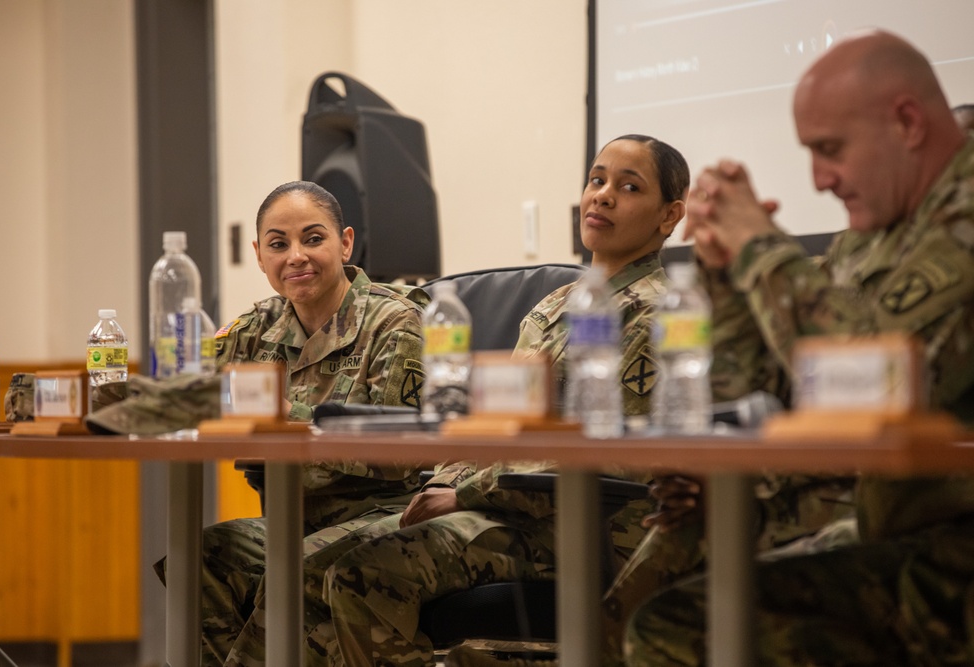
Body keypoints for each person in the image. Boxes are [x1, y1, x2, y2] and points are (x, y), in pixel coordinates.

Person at [627, 30, 974, 666]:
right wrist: (724, 274)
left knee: (684, 625)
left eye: (831, 150)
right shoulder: (872, 237)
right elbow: (759, 392)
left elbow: (871, 385)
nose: (819, 180)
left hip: (955, 553)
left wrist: (762, 248)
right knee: (664, 574)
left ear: (906, 123)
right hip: (901, 527)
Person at [312, 134, 689, 667]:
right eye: (596, 180)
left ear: (669, 215)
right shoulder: (553, 306)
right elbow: (494, 424)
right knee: (314, 568)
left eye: (628, 187)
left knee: (363, 571)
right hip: (504, 510)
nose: (602, 196)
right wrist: (444, 481)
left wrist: (463, 496)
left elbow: (609, 455)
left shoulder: (656, 315)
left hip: (583, 530)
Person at [162, 180, 458, 667]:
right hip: (291, 519)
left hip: (385, 514)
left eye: (313, 239)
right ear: (260, 256)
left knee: (296, 570)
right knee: (199, 559)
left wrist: (278, 417)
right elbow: (188, 397)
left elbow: (401, 451)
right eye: (278, 244)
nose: (296, 256)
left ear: (344, 242)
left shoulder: (395, 322)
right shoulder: (254, 329)